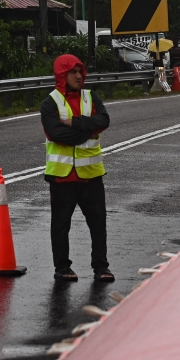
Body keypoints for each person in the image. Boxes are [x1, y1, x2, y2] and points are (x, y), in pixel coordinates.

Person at [41, 54, 113, 283]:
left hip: (91, 175)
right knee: (60, 226)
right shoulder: (50, 102)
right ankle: (62, 268)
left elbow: (103, 120)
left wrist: (76, 123)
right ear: (62, 75)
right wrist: (87, 131)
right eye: (73, 72)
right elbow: (55, 133)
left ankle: (101, 267)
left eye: (81, 71)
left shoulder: (91, 97)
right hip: (62, 177)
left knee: (98, 224)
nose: (79, 76)